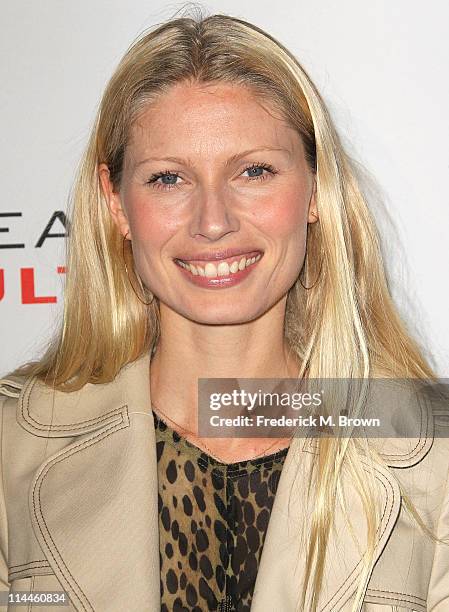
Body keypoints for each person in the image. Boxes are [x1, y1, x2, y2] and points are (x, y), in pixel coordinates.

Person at [1, 10, 448, 612]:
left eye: (254, 171)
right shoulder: (12, 452)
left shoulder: (433, 457)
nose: (213, 221)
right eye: (167, 180)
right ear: (115, 203)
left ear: (315, 190)